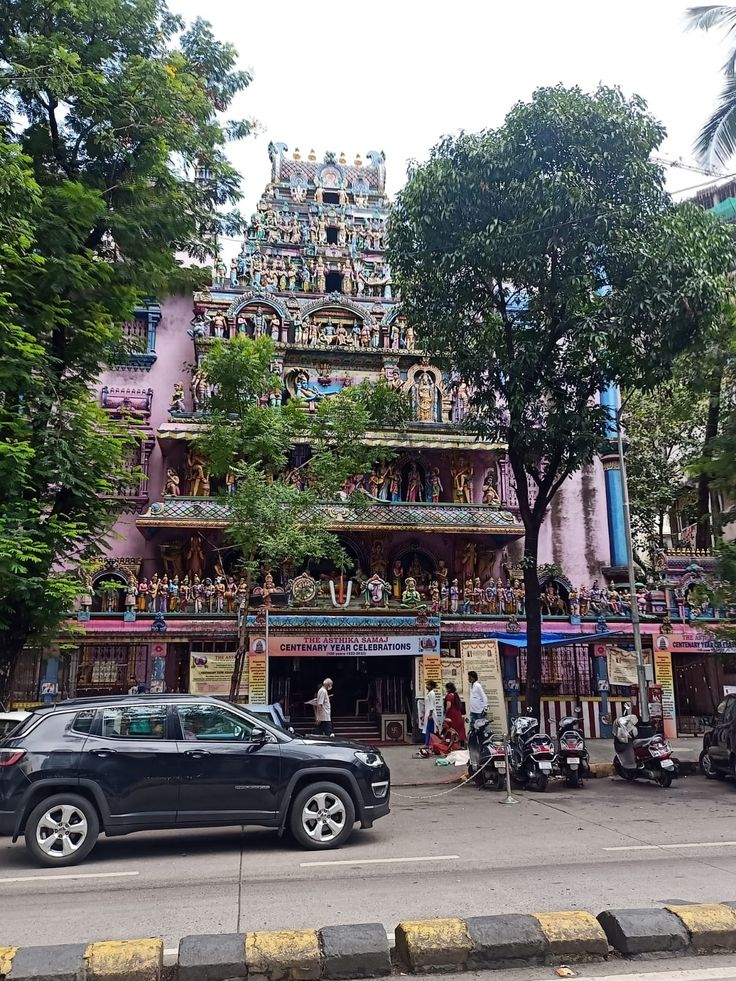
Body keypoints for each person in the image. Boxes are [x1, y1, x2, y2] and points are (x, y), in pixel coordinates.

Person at [422, 680, 438, 747]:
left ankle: (428, 743)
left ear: (431, 686)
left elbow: (431, 704)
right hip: (427, 712)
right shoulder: (429, 693)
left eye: (428, 685)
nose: (426, 686)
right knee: (427, 728)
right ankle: (428, 743)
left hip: (430, 713)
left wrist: (430, 714)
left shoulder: (432, 693)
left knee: (429, 729)